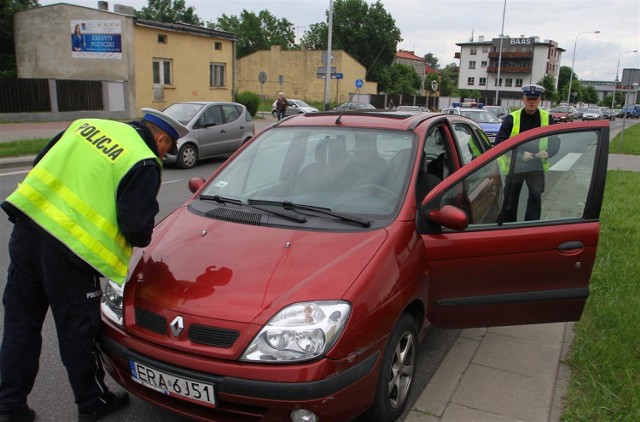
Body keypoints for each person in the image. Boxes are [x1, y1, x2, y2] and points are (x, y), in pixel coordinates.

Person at [0, 108, 188, 422]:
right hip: (71, 255)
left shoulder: (86, 125)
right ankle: (92, 404)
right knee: (79, 334)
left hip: (27, 230)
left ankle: (9, 407)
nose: (166, 153)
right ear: (162, 138)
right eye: (168, 147)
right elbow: (137, 228)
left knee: (21, 326)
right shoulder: (143, 160)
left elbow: (41, 164)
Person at [494, 84, 558, 222]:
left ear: (540, 100)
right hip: (516, 166)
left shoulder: (547, 118)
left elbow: (555, 141)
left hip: (536, 165)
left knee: (535, 196)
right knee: (510, 199)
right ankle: (508, 228)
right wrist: (519, 154)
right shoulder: (511, 118)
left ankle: (531, 226)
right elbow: (499, 142)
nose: (531, 101)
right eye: (529, 98)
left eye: (535, 99)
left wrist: (548, 152)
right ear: (523, 99)